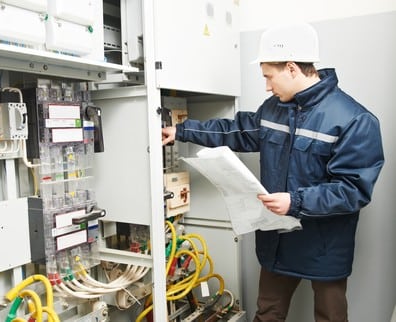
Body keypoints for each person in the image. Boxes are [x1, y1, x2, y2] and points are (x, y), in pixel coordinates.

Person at [161, 22, 384, 322]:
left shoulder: (355, 120)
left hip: (325, 248)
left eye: (269, 76)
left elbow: (353, 189)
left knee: (331, 317)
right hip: (278, 241)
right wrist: (182, 130)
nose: (267, 85)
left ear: (292, 68)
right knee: (267, 313)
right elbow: (235, 130)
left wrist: (296, 202)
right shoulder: (274, 108)